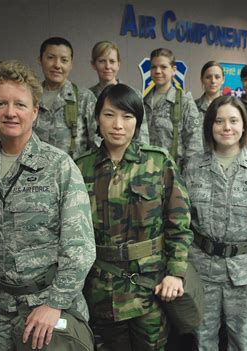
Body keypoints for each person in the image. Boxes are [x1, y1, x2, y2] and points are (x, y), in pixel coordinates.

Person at [0, 60, 96, 350]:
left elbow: (80, 247)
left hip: (45, 309)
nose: (10, 112)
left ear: (35, 111)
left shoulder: (59, 166)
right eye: (1, 104)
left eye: (20, 105)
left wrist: (55, 304)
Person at [76, 83, 193, 350]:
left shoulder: (158, 163)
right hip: (100, 287)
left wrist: (175, 273)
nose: (118, 124)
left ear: (137, 122)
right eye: (109, 115)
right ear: (97, 118)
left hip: (149, 285)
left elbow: (179, 224)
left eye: (127, 116)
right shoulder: (80, 168)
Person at [184, 95, 247, 350]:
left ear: (244, 126)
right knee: (201, 339)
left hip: (244, 274)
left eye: (233, 120)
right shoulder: (193, 167)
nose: (226, 127)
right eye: (219, 121)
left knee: (242, 340)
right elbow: (181, 223)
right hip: (201, 270)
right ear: (210, 126)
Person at [33, 37, 99, 159]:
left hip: (73, 175)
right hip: (35, 175)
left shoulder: (84, 98)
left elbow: (97, 144)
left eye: (64, 60)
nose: (57, 65)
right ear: (40, 60)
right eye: (51, 58)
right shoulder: (30, 98)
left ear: (71, 64)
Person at [143, 48, 203, 168]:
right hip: (146, 173)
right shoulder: (143, 102)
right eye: (153, 67)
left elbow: (194, 145)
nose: (158, 71)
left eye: (163, 67)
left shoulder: (184, 102)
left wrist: (187, 176)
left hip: (174, 174)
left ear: (173, 70)